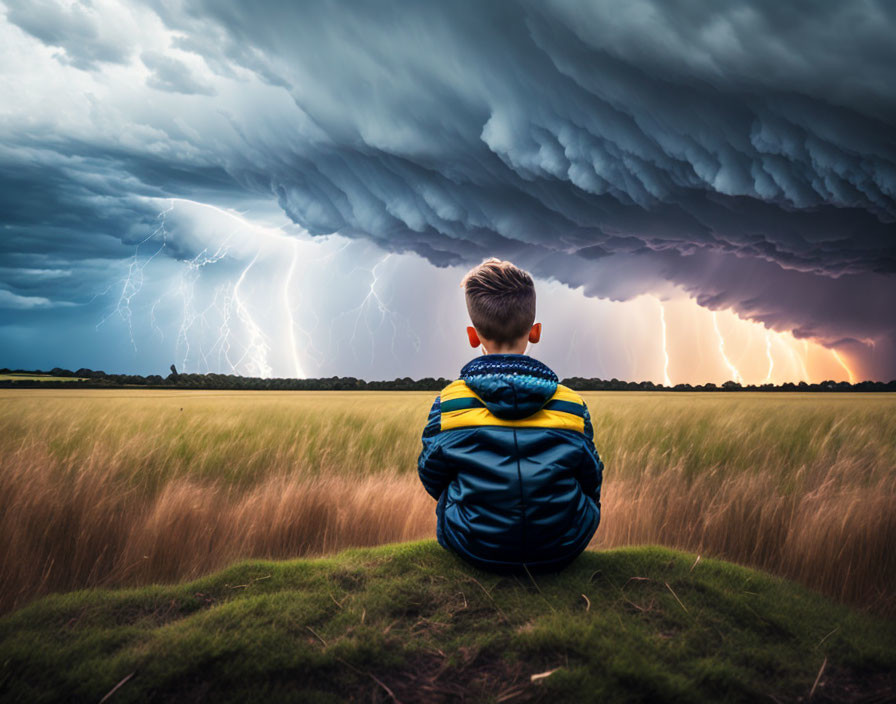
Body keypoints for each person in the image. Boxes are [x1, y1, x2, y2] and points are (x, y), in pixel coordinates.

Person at [417, 257, 603, 574]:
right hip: (562, 548)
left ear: (473, 336)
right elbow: (591, 478)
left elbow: (432, 475)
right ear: (535, 332)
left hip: (475, 548)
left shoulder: (449, 402)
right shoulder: (571, 403)